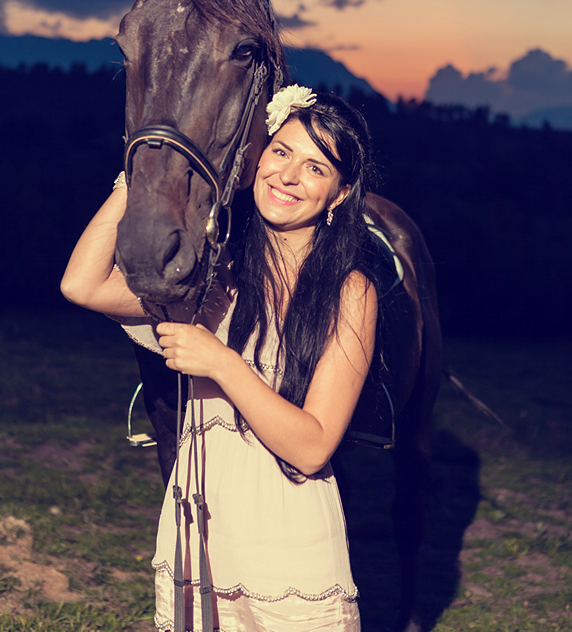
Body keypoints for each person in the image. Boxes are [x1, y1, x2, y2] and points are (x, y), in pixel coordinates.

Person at [61, 86, 378, 632]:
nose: (288, 175)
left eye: (316, 167)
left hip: (289, 540)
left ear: (339, 194)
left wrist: (221, 361)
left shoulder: (350, 292)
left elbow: (313, 446)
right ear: (255, 158)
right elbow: (83, 284)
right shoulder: (214, 280)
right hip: (200, 528)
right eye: (280, 152)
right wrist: (137, 178)